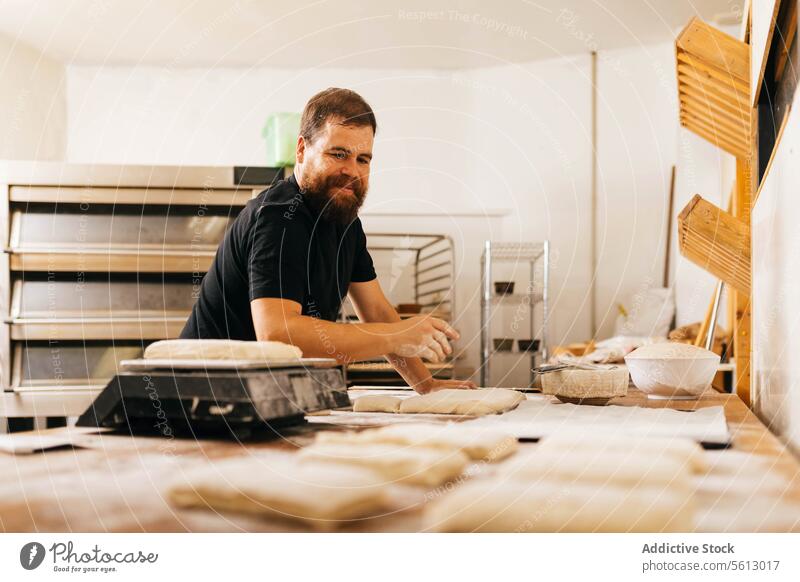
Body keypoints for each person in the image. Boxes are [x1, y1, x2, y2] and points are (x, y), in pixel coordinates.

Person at [181, 87, 475, 393]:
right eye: (338, 154)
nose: (352, 171)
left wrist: (426, 386)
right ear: (301, 150)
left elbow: (377, 312)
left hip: (264, 395)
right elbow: (278, 334)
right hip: (205, 398)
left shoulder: (345, 220)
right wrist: (395, 335)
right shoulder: (279, 217)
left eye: (363, 159)